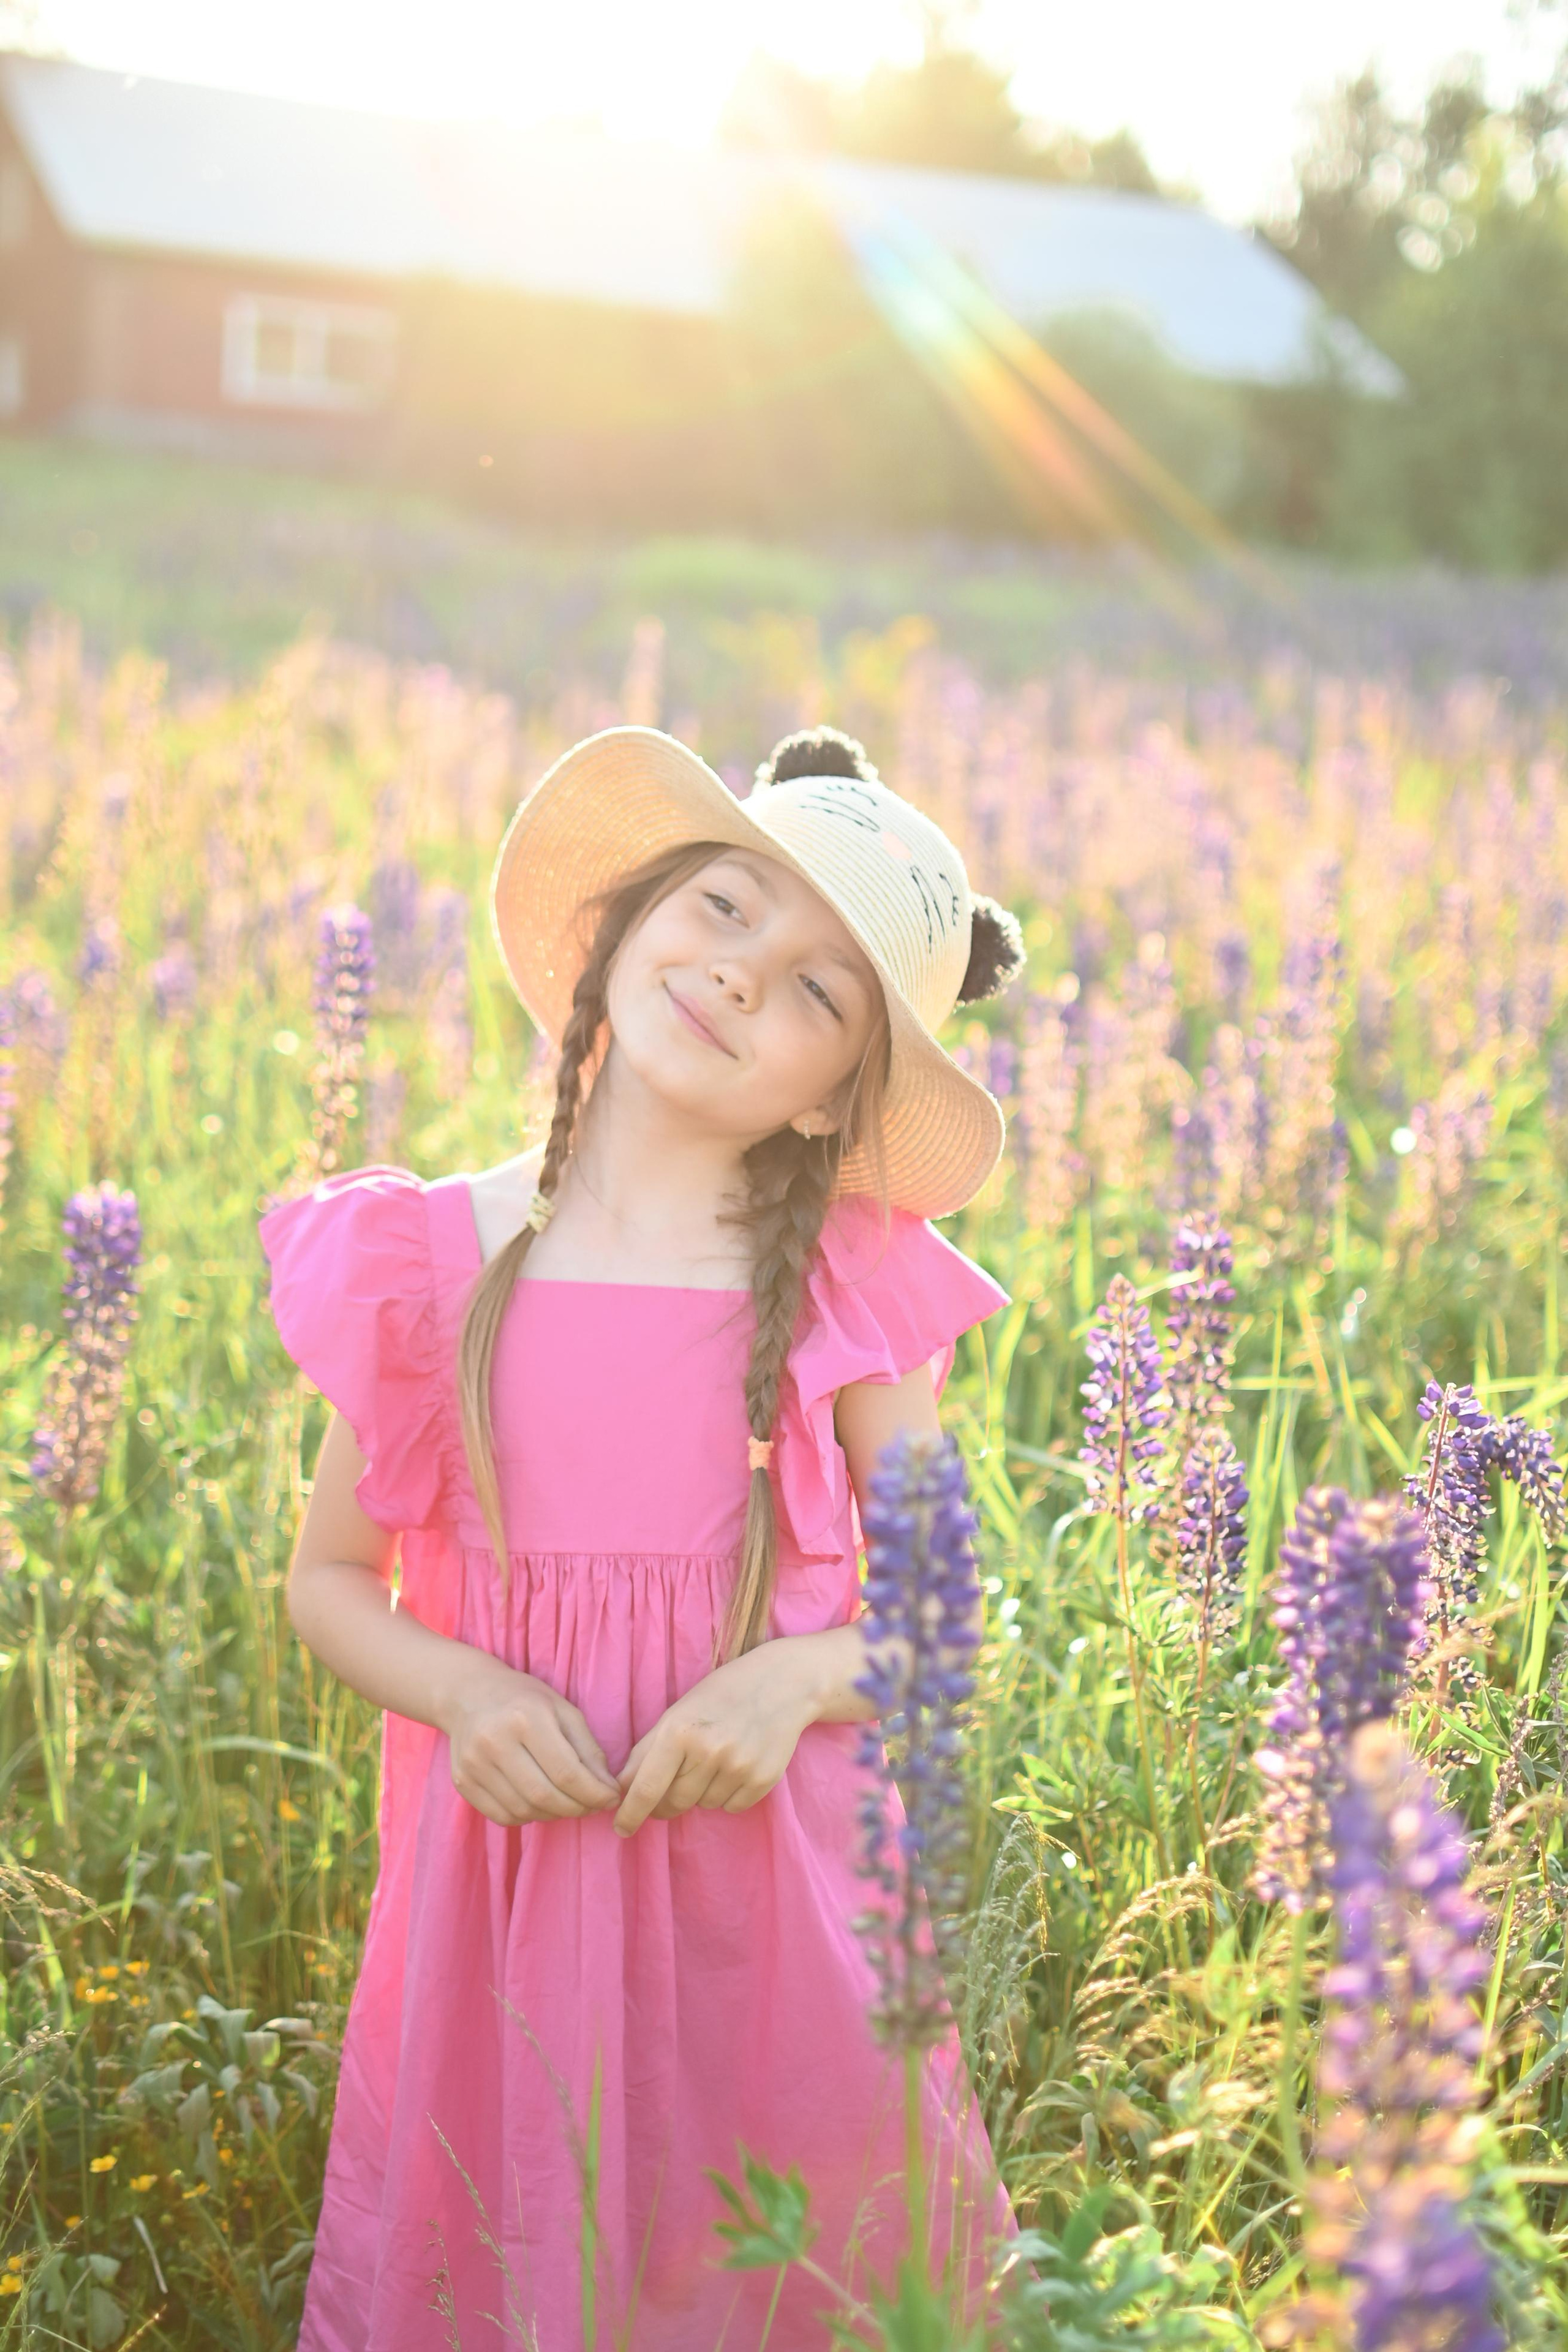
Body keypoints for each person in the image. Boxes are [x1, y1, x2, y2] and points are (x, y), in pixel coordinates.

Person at [258, 722, 1027, 2351]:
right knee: (516, 2253)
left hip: (779, 1929)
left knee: (788, 2282)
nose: (749, 974)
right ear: (628, 923)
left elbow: (946, 1619)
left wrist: (790, 1682)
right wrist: (465, 1695)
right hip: (507, 1913)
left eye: (825, 992)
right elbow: (328, 1585)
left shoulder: (853, 1288)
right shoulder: (428, 1259)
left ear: (838, 1106)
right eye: (732, 908)